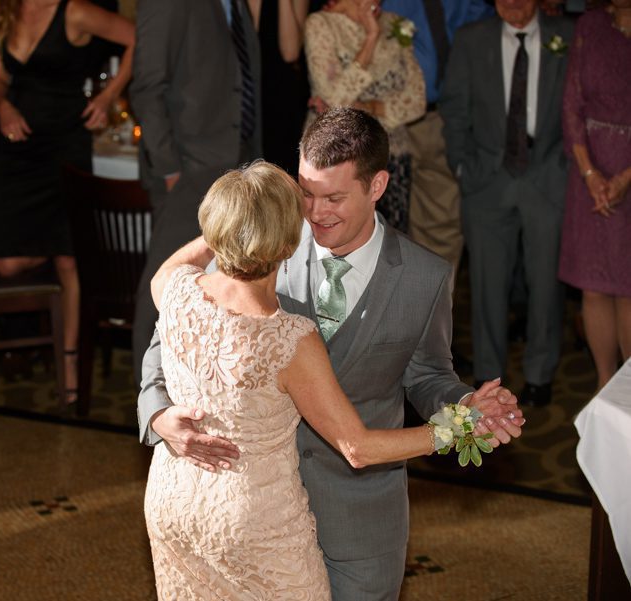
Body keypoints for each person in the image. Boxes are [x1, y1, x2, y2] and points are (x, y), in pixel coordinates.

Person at [139, 107, 525, 600]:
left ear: (377, 185)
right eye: (306, 192)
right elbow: (169, 339)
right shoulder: (261, 238)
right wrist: (158, 416)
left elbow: (428, 375)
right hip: (248, 517)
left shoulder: (425, 278)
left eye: (334, 197)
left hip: (359, 523)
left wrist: (465, 409)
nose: (315, 212)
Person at [0, 0, 134, 403]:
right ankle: (61, 260)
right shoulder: (5, 12)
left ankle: (69, 361)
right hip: (18, 151)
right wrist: (2, 105)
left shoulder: (74, 11)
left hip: (65, 146)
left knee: (69, 260)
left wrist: (108, 96)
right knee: (8, 262)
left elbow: (137, 38)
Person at [440, 0, 573, 406]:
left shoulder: (566, 35)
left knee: (545, 284)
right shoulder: (471, 39)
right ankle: (489, 374)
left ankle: (540, 374)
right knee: (487, 283)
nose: (512, 3)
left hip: (547, 174)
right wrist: (462, 165)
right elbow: (454, 107)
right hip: (487, 179)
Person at [130, 0, 262, 384]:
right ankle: (149, 402)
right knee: (163, 292)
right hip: (188, 173)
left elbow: (243, 80)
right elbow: (147, 87)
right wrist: (171, 171)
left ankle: (200, 390)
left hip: (235, 167)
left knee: (218, 295)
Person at [383, 0, 494, 284]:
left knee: (441, 225)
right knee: (381, 227)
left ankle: (432, 305)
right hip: (384, 121)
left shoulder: (469, 5)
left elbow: (490, 32)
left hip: (442, 119)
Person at [558, 0, 631, 390]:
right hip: (589, 169)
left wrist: (624, 178)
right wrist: (589, 173)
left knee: (627, 287)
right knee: (594, 286)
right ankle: (605, 386)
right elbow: (572, 103)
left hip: (627, 170)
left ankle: (628, 391)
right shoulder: (590, 24)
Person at [303, 0, 425, 233]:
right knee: (335, 236)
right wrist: (371, 38)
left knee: (389, 240)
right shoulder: (321, 24)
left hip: (391, 154)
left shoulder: (394, 23)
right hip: (336, 156)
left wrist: (369, 106)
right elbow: (334, 99)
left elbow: (417, 101)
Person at [252, 0, 311, 176]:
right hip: (246, 92)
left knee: (280, 171)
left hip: (281, 96)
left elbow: (290, 52)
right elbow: (248, 43)